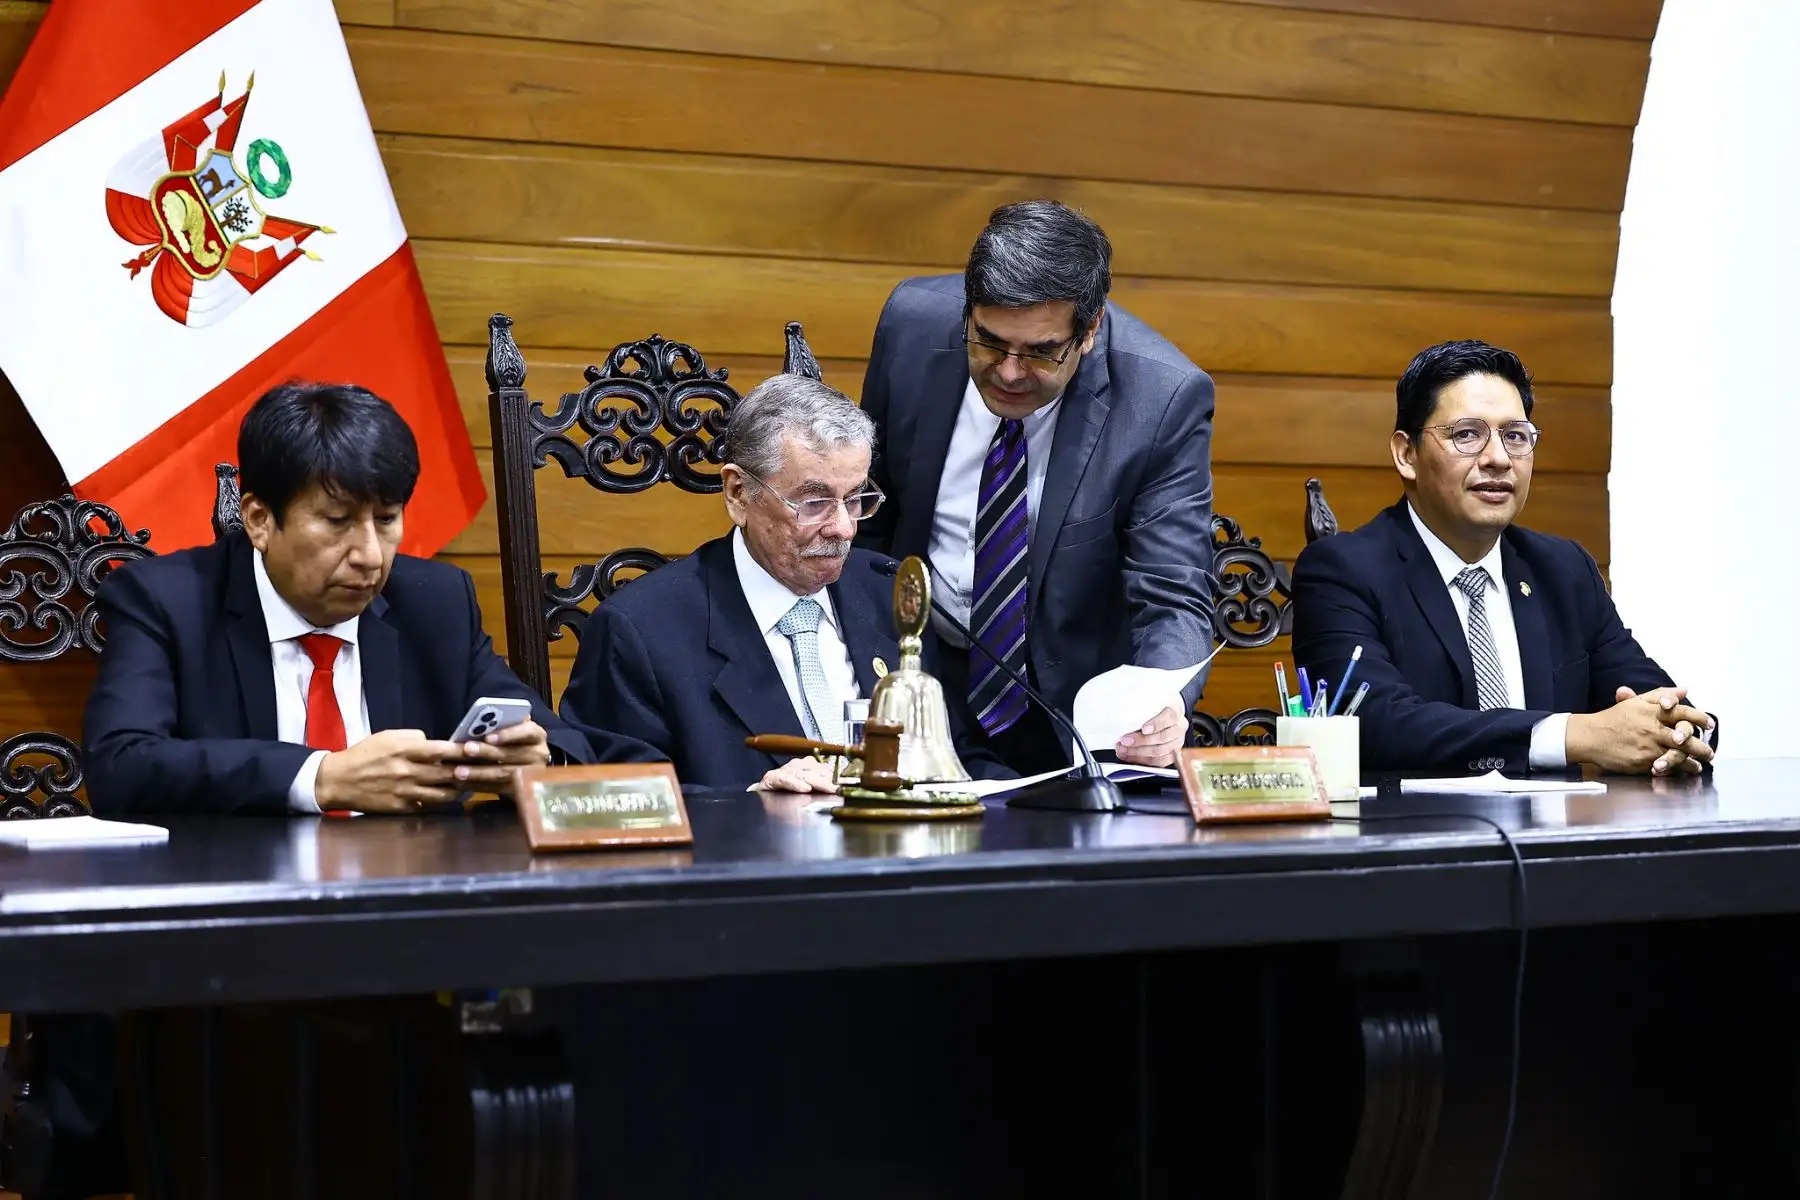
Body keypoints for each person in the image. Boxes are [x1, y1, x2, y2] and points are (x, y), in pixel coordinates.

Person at [83, 382, 590, 815]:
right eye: (337, 521)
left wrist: (537, 760)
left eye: (387, 519)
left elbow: (567, 745)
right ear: (259, 520)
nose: (370, 555)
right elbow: (121, 766)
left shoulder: (434, 601)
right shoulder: (166, 602)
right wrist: (320, 778)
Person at [856, 200, 1218, 775]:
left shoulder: (1160, 400)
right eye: (989, 341)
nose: (1008, 372)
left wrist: (1160, 702)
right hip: (911, 682)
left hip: (1060, 713)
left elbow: (1173, 591)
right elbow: (867, 513)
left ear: (1090, 329)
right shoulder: (910, 325)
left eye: (1041, 352)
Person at [560, 374, 1007, 792]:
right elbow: (619, 799)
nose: (844, 529)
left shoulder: (888, 591)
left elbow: (957, 756)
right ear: (738, 493)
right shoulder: (641, 631)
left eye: (855, 500)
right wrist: (752, 804)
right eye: (814, 502)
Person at [1290, 340, 1714, 776]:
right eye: (1467, 434)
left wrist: (1681, 733)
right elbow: (1375, 723)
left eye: (1515, 437)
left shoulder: (1562, 569)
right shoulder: (1342, 571)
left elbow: (1655, 700)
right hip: (1418, 836)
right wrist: (1573, 736)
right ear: (1407, 454)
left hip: (1559, 839)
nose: (1497, 459)